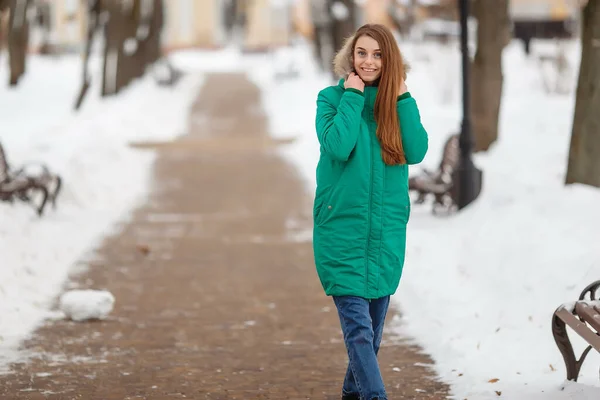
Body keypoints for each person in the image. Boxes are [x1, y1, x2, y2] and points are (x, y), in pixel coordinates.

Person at [312, 24, 428, 400]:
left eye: (378, 54)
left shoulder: (396, 106)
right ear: (351, 57)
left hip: (384, 235)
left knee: (372, 337)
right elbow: (338, 146)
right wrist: (352, 96)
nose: (369, 61)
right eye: (362, 53)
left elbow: (417, 150)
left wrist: (403, 96)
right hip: (342, 232)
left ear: (389, 60)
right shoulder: (330, 99)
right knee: (359, 334)